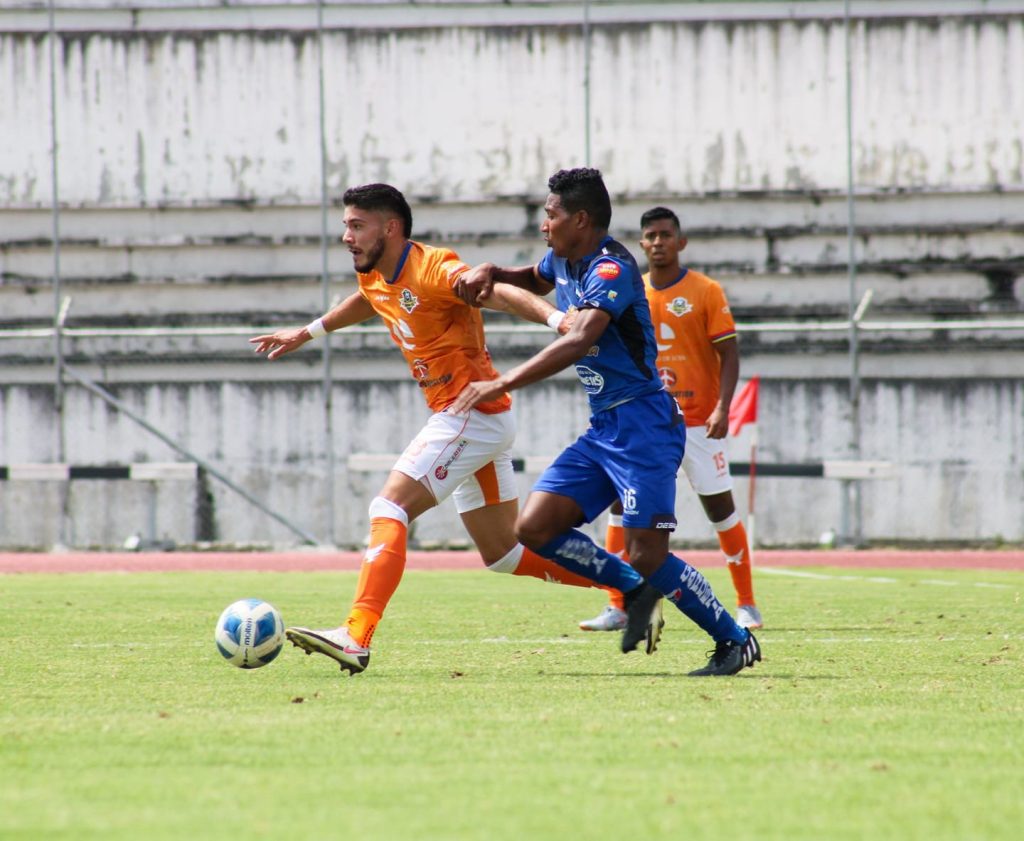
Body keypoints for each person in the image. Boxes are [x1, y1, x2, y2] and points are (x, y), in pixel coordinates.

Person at [249, 182, 655, 675]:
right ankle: (632, 586)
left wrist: (554, 320)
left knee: (389, 506)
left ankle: (355, 635)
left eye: (356, 226)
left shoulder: (434, 268)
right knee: (504, 554)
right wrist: (307, 332)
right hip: (478, 419)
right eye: (345, 226)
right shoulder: (376, 274)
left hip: (470, 413)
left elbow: (497, 291)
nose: (347, 237)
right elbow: (367, 300)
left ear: (390, 228)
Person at [451, 168, 761, 677]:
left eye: (551, 214)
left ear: (580, 219)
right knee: (534, 527)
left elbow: (579, 339)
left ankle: (734, 639)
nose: (544, 223)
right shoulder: (564, 257)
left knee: (648, 553)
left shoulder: (612, 269)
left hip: (646, 427)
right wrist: (494, 271)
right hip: (605, 429)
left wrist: (502, 383)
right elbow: (536, 276)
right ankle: (635, 592)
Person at [577, 206, 763, 634]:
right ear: (641, 244)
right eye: (650, 235)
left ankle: (747, 604)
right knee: (620, 506)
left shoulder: (706, 291)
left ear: (680, 242)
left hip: (699, 422)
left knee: (721, 511)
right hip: (648, 421)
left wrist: (722, 408)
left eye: (665, 234)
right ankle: (618, 605)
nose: (658, 242)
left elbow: (729, 354)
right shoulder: (627, 287)